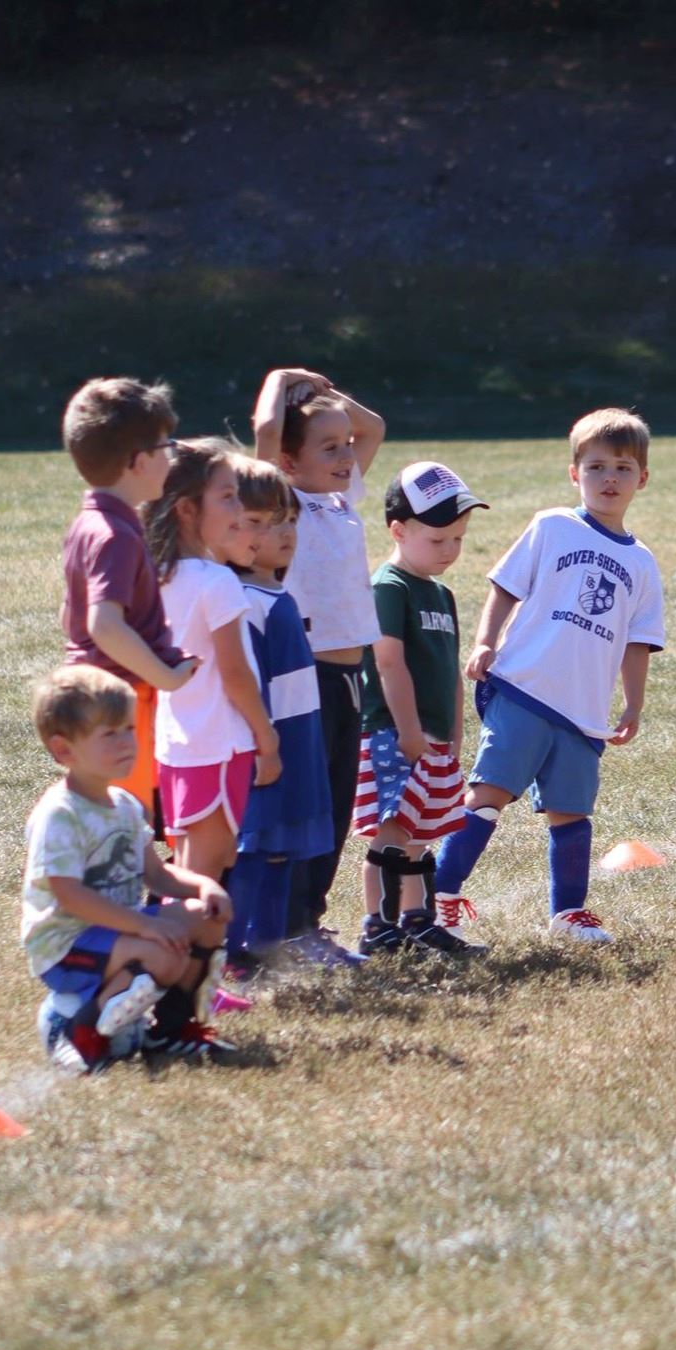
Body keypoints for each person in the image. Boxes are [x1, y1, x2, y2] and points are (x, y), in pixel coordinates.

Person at [433, 410, 665, 944]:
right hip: (523, 688)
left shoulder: (643, 564)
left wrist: (632, 704)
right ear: (574, 473)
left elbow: (638, 641)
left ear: (642, 479)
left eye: (623, 468)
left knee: (571, 811)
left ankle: (569, 912)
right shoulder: (552, 526)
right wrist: (486, 641)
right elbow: (505, 587)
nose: (609, 479)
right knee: (489, 794)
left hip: (583, 711)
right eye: (596, 467)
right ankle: (439, 896)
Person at [23, 665, 234, 1071]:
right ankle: (79, 1032)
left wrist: (203, 889)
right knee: (162, 953)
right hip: (67, 943)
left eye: (129, 729)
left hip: (118, 929)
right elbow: (69, 894)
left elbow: (155, 875)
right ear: (64, 750)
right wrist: (145, 927)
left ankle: (170, 1029)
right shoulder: (61, 813)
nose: (126, 742)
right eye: (109, 734)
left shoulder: (124, 805)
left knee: (205, 922)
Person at [253, 367, 388, 964]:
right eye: (329, 448)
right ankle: (287, 926)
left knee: (335, 805)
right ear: (287, 462)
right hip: (305, 678)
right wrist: (282, 382)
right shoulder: (284, 505)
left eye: (345, 448)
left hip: (348, 677)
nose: (346, 455)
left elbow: (374, 426)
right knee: (305, 804)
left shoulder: (341, 500)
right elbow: (263, 431)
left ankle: (310, 923)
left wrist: (329, 399)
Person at [353, 461, 489, 963]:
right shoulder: (390, 586)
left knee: (421, 834)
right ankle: (378, 927)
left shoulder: (441, 593)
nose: (450, 551)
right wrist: (408, 730)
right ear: (398, 530)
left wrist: (453, 735)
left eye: (458, 539)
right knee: (392, 831)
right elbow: (388, 661)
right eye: (438, 541)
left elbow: (448, 671)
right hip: (393, 733)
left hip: (431, 737)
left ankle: (418, 923)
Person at [58, 376, 196, 824]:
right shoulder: (116, 535)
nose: (171, 457)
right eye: (165, 446)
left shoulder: (88, 523)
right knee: (123, 827)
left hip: (100, 698)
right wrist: (166, 677)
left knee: (110, 824)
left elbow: (70, 612)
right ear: (139, 462)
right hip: (122, 700)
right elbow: (104, 625)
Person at [145, 439, 280, 897]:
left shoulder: (157, 576)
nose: (239, 509)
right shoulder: (217, 581)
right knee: (206, 877)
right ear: (186, 510)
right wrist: (265, 735)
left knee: (192, 867)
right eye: (227, 496)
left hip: (177, 745)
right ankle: (177, 965)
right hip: (220, 746)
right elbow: (236, 673)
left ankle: (178, 964)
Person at [224, 460, 334, 980]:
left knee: (279, 851)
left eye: (288, 519)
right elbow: (242, 678)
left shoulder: (276, 592)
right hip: (268, 741)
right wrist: (262, 741)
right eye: (265, 522)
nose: (284, 532)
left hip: (300, 737)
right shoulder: (243, 600)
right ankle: (234, 949)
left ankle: (269, 949)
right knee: (254, 847)